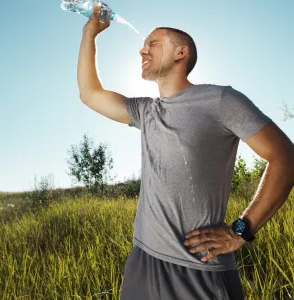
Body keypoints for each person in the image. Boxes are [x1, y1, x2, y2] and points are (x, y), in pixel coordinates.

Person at [78, 3, 294, 300]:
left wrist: (242, 230)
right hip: (142, 260)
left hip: (198, 270)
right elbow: (90, 95)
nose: (143, 51)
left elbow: (285, 156)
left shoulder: (220, 100)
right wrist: (89, 34)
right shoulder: (145, 111)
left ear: (181, 53)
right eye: (143, 45)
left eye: (153, 43)